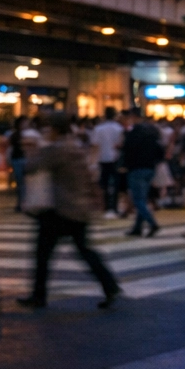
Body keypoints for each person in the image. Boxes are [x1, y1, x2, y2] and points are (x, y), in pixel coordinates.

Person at [19, 112, 120, 309]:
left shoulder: (56, 149)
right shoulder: (75, 146)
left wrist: (33, 149)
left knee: (43, 252)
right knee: (84, 250)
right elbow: (88, 175)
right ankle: (109, 285)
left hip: (60, 209)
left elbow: (31, 167)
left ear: (54, 129)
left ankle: (38, 295)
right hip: (79, 207)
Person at [121, 111, 164, 238]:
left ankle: (152, 223)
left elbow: (127, 151)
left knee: (138, 199)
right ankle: (137, 228)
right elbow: (160, 150)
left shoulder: (132, 134)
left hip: (136, 168)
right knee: (142, 198)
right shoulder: (152, 132)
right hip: (149, 167)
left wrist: (125, 165)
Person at [90, 107, 124, 218]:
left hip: (102, 158)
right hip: (115, 158)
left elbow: (95, 145)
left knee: (103, 184)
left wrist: (92, 161)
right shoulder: (119, 128)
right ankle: (114, 207)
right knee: (115, 184)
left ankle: (105, 206)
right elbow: (121, 144)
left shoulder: (98, 129)